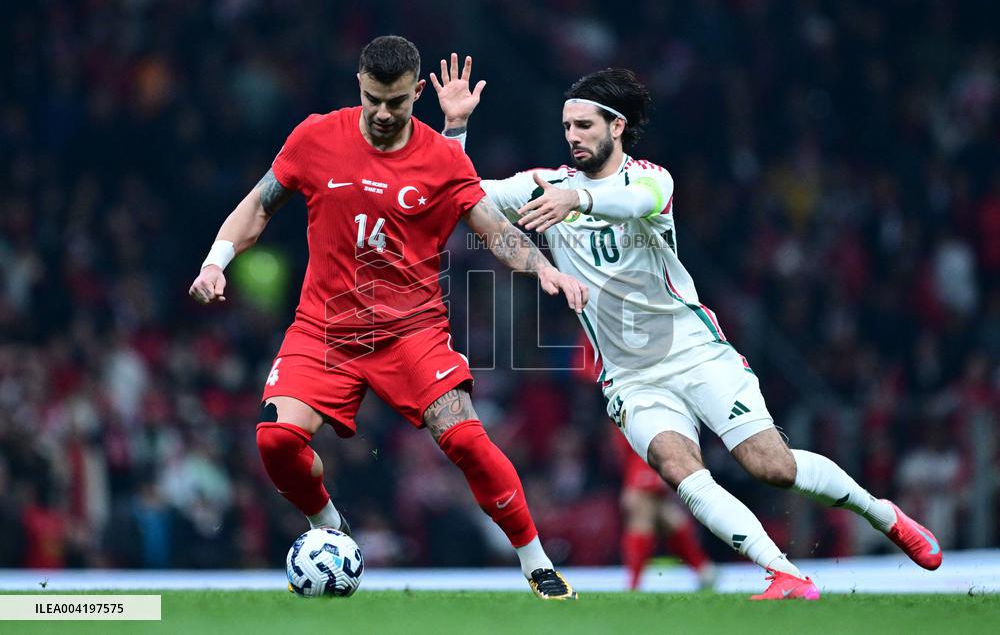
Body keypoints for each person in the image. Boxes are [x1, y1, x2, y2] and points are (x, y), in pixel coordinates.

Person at [433, 58, 942, 600]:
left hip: (696, 352)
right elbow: (457, 195)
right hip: (630, 377)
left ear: (617, 127)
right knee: (678, 467)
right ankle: (786, 573)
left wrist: (575, 198)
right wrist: (456, 130)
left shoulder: (651, 180)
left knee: (770, 465)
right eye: (566, 126)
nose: (573, 137)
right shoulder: (545, 183)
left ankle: (882, 514)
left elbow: (631, 203)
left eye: (584, 126)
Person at [188, 36, 588, 600]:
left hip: (411, 332)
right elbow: (258, 204)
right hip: (323, 329)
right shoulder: (315, 136)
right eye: (373, 98)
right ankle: (329, 527)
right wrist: (216, 262)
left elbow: (491, 227)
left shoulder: (444, 157)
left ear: (417, 93)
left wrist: (543, 268)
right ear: (359, 85)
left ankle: (536, 562)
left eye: (396, 101)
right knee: (276, 440)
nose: (382, 112)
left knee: (467, 440)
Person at [615, 429, 716, 591]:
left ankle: (633, 584)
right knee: (666, 515)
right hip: (650, 451)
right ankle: (703, 568)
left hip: (649, 453)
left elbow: (643, 436)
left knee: (643, 510)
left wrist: (633, 483)